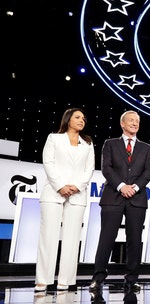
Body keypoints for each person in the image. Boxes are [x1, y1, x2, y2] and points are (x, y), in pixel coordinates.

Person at [89, 110, 150, 293]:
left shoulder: (146, 148)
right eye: (131, 120)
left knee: (134, 240)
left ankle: (132, 279)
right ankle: (98, 278)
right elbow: (106, 168)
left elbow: (148, 172)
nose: (134, 123)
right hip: (113, 197)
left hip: (137, 199)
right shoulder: (110, 144)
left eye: (137, 121)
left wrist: (134, 187)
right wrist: (121, 186)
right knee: (106, 239)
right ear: (122, 124)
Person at [35, 108, 95, 292]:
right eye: (77, 117)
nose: (81, 120)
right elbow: (48, 163)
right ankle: (43, 280)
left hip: (77, 195)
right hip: (53, 192)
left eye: (84, 118)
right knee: (49, 237)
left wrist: (76, 186)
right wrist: (61, 185)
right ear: (68, 119)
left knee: (71, 238)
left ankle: (65, 281)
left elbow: (89, 168)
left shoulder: (88, 143)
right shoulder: (54, 138)